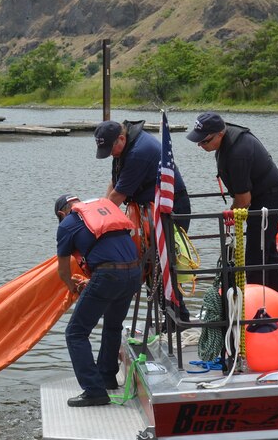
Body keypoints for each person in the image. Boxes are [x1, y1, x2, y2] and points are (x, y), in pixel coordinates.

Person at [95, 118, 192, 320]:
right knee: (151, 267)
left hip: (171, 207)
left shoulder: (139, 152)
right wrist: (101, 209)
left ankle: (179, 318)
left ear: (120, 138)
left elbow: (118, 197)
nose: (111, 155)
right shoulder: (124, 146)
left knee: (165, 264)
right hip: (151, 208)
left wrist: (97, 225)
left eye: (111, 150)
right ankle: (167, 318)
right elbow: (114, 182)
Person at [54, 193, 142, 407]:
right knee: (112, 325)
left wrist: (72, 287)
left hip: (108, 275)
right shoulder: (103, 210)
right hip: (134, 273)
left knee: (75, 332)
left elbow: (63, 270)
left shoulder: (66, 224)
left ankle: (94, 391)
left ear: (60, 213)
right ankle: (107, 377)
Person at [186, 111, 278, 293]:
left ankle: (258, 304)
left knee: (256, 254)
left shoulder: (237, 153)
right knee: (268, 250)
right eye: (198, 141)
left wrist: (232, 213)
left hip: (269, 198)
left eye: (204, 141)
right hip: (261, 196)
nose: (200, 145)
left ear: (220, 133)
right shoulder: (226, 141)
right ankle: (276, 295)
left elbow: (244, 199)